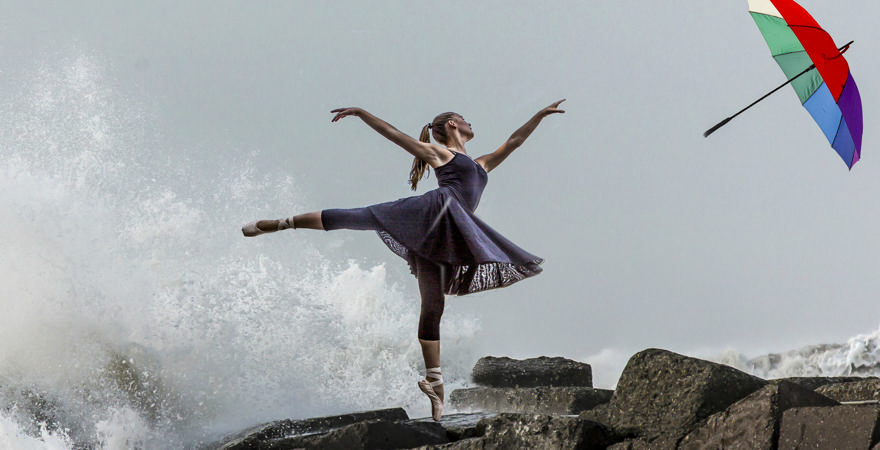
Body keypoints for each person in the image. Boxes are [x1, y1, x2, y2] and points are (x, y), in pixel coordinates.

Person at [242, 100, 565, 421]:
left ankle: (434, 383)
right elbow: (394, 135)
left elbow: (515, 142)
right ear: (452, 124)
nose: (470, 122)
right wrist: (361, 113)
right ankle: (282, 223)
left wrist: (538, 115)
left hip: (447, 237)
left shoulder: (480, 164)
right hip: (432, 214)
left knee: (433, 305)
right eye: (464, 118)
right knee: (363, 216)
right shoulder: (443, 154)